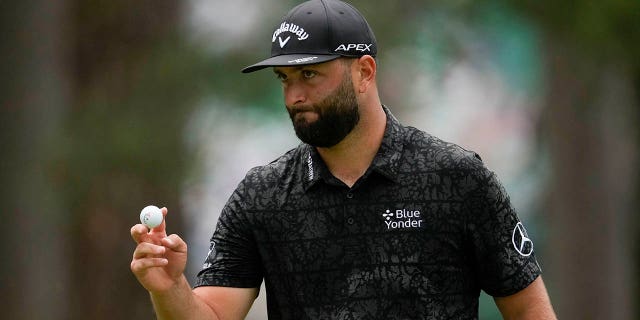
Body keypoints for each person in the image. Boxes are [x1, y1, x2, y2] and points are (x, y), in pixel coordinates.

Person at [130, 0, 557, 319]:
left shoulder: (456, 179)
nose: (294, 96)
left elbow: (529, 310)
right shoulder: (261, 197)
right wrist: (170, 289)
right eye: (285, 79)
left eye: (310, 74)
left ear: (365, 72)